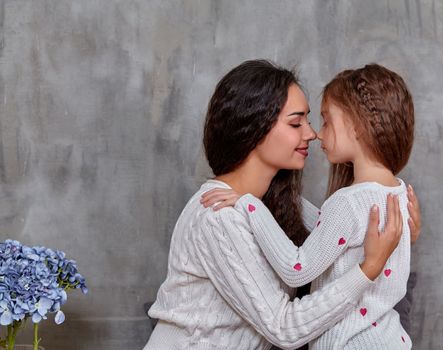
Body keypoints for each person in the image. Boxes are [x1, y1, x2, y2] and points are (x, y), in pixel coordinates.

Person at [144, 60, 419, 350]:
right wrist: (367, 270)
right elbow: (284, 327)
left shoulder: (270, 206)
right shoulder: (218, 214)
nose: (312, 134)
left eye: (313, 121)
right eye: (295, 122)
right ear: (254, 127)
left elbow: (343, 234)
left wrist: (402, 232)